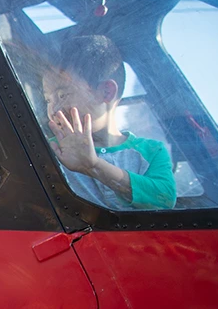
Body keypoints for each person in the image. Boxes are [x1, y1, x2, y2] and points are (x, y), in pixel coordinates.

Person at [43, 35, 176, 211]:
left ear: (106, 92)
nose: (53, 111)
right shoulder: (47, 150)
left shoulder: (152, 151)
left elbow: (165, 200)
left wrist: (94, 166)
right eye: (47, 100)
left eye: (63, 95)